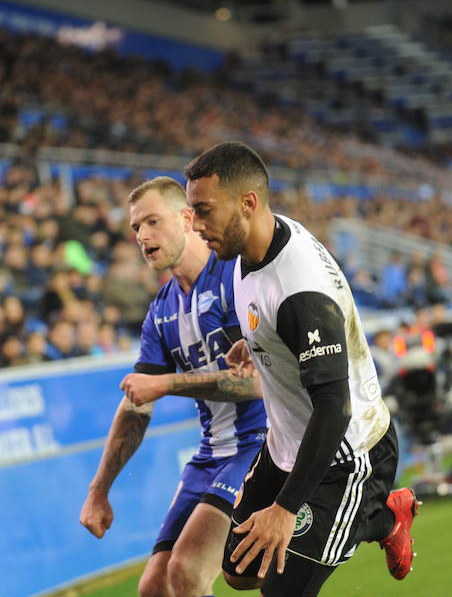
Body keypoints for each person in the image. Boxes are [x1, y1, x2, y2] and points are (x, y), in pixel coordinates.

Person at [184, 142, 418, 597]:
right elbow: (265, 313)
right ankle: (384, 514)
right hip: (286, 443)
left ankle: (377, 512)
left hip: (345, 456)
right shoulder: (250, 247)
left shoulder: (300, 291)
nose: (196, 225)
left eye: (203, 210)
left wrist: (286, 508)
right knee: (239, 571)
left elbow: (334, 408)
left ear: (247, 203)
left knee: (280, 590)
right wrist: (254, 347)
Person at [79, 177, 267, 597]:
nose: (143, 236)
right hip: (209, 456)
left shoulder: (233, 278)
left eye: (152, 222)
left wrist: (165, 383)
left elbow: (255, 387)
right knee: (153, 588)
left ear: (186, 219)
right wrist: (99, 490)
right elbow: (136, 403)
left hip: (261, 443)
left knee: (186, 571)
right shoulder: (161, 311)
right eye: (135, 229)